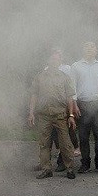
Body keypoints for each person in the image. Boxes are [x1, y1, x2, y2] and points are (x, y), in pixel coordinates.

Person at [29, 48, 76, 179]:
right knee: (44, 143)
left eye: (57, 59)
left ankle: (70, 168)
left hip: (60, 115)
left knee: (65, 143)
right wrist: (31, 112)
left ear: (60, 61)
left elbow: (70, 98)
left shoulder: (65, 77)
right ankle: (46, 169)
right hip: (43, 115)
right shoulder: (39, 77)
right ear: (48, 60)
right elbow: (34, 95)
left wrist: (71, 115)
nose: (55, 61)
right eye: (52, 58)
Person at [71, 41, 98, 174]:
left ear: (96, 51)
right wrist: (74, 105)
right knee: (83, 137)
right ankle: (85, 164)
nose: (90, 49)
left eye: (92, 47)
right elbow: (72, 88)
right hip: (82, 105)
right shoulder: (76, 66)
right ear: (83, 50)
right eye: (87, 47)